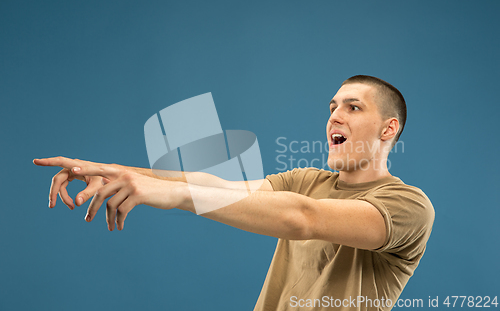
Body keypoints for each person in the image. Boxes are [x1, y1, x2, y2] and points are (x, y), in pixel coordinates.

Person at [34, 75, 434, 311]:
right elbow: (218, 186)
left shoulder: (407, 206)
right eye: (333, 106)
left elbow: (303, 218)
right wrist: (114, 172)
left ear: (388, 129)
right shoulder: (306, 180)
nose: (335, 115)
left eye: (353, 107)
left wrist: (174, 196)